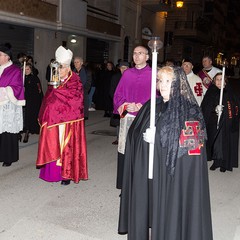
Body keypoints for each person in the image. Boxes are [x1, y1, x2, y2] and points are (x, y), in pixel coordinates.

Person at [118, 66, 213, 240]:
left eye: (168, 81)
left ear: (178, 84)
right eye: (160, 81)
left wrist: (162, 139)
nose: (162, 85)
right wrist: (143, 139)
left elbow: (192, 153)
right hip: (153, 173)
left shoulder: (190, 111)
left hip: (174, 180)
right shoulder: (152, 106)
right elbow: (134, 134)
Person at [36, 46, 88, 185]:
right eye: (58, 67)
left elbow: (76, 100)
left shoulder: (75, 81)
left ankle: (66, 175)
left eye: (62, 67)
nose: (59, 70)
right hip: (53, 120)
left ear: (68, 67)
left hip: (68, 122)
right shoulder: (55, 79)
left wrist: (57, 91)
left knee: (66, 147)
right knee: (52, 144)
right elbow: (48, 99)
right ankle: (52, 173)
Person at [114, 45, 152, 189]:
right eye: (134, 53)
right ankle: (125, 185)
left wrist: (142, 107)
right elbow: (118, 95)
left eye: (140, 53)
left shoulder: (154, 74)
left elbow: (158, 97)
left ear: (147, 57)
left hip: (145, 119)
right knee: (126, 150)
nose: (136, 56)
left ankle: (141, 187)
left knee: (142, 152)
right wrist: (125, 105)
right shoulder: (127, 74)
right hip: (128, 117)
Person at [201, 72, 239, 172]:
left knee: (225, 141)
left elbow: (235, 106)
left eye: (221, 79)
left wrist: (225, 109)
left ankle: (224, 164)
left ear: (225, 82)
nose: (219, 81)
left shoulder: (229, 92)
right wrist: (215, 108)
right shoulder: (211, 91)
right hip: (214, 121)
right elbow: (206, 106)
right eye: (217, 79)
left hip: (226, 122)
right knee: (215, 141)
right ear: (214, 81)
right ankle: (216, 161)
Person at [0, 43, 25, 166]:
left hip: (9, 106)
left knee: (7, 132)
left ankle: (8, 158)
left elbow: (18, 87)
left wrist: (4, 91)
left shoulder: (14, 70)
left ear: (7, 57)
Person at [22, 63, 43, 143]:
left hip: (34, 100)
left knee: (33, 115)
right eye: (25, 69)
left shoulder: (35, 78)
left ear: (31, 70)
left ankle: (32, 129)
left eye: (28, 69)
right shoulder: (22, 78)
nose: (26, 71)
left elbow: (39, 90)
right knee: (27, 116)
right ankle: (26, 131)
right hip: (26, 100)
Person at [109, 61, 129, 145]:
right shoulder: (115, 77)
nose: (123, 69)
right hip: (118, 103)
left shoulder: (131, 77)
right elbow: (112, 90)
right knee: (119, 122)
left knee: (127, 120)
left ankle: (127, 138)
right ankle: (118, 138)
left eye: (125, 68)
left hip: (128, 103)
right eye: (122, 68)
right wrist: (116, 101)